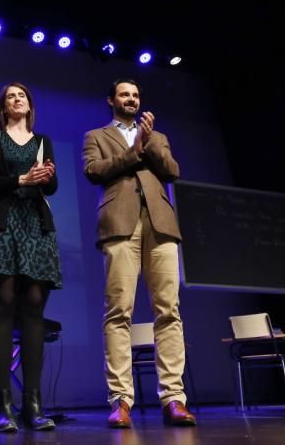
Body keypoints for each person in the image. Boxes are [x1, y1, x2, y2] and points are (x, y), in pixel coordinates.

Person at [82, 78, 196, 429]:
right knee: (119, 312)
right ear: (111, 100)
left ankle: (173, 398)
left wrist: (149, 143)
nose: (131, 99)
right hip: (120, 224)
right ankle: (121, 400)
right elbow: (94, 171)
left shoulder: (156, 136)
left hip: (160, 225)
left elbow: (171, 171)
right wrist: (134, 150)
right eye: (124, 94)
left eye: (135, 95)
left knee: (169, 311)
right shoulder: (96, 136)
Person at [0, 83, 61, 432]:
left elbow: (52, 188)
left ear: (29, 106)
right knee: (4, 304)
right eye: (11, 96)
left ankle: (33, 404)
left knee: (34, 309)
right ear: (4, 106)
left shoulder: (43, 140)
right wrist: (22, 178)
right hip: (4, 223)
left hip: (36, 226)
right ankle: (3, 405)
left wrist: (44, 178)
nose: (17, 99)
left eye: (22, 96)